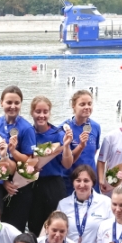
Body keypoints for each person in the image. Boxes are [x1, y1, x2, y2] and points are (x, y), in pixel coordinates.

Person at [28, 96, 75, 233]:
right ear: (32, 113)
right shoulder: (28, 133)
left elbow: (67, 165)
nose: (42, 115)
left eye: (45, 112)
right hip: (33, 184)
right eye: (38, 111)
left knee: (55, 224)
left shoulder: (57, 134)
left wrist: (66, 146)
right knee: (34, 225)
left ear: (50, 113)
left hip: (54, 184)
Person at [0, 85, 37, 232]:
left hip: (19, 185)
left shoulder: (26, 128)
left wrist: (13, 150)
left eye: (17, 103)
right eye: (9, 102)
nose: (13, 106)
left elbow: (29, 161)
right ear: (1, 102)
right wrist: (3, 182)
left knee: (15, 229)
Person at [62, 90, 101, 196]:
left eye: (89, 104)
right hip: (72, 180)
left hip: (91, 179)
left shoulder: (96, 127)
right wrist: (80, 146)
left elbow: (94, 151)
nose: (87, 107)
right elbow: (65, 160)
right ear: (73, 106)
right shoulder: (65, 128)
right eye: (82, 104)